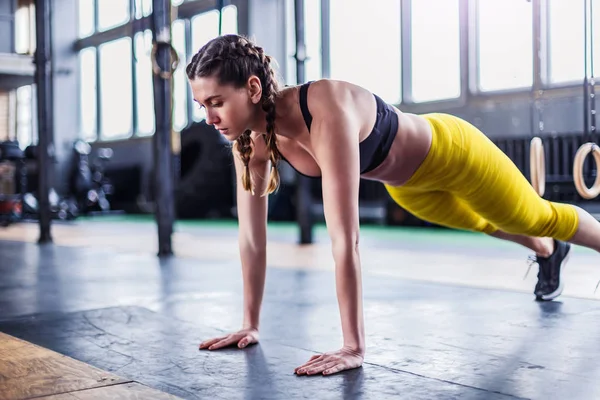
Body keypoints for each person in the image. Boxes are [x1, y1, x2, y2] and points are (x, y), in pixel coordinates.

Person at [185, 34, 600, 376]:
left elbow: (344, 241)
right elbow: (252, 241)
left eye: (216, 102)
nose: (208, 117)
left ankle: (556, 240)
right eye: (201, 105)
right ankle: (548, 252)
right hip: (407, 187)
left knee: (537, 216)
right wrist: (250, 324)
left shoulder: (324, 108)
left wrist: (353, 346)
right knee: (483, 222)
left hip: (456, 153)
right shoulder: (249, 145)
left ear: (253, 88)